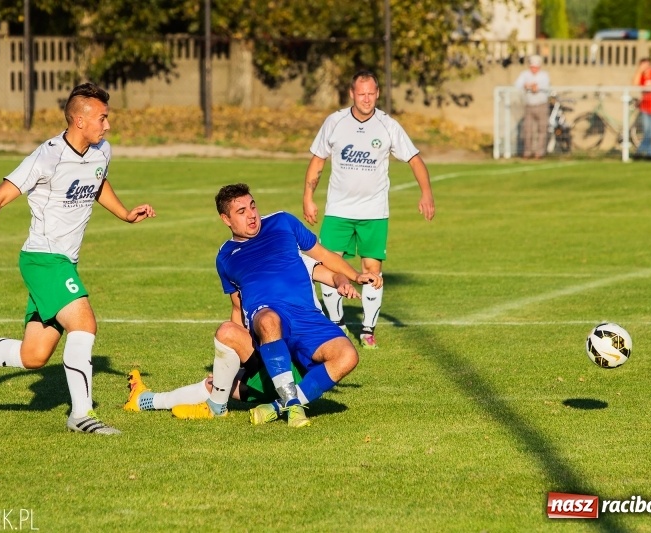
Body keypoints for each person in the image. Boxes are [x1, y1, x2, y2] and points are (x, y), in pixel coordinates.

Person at [0, 82, 156, 435]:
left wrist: (126, 214)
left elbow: (97, 181)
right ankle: (81, 415)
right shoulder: (47, 156)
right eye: (103, 118)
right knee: (84, 324)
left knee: (33, 356)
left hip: (63, 261)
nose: (108, 125)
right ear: (80, 120)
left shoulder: (102, 150)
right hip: (43, 259)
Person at [213, 183, 380, 428]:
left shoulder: (283, 222)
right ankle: (292, 405)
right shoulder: (225, 256)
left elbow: (323, 255)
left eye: (252, 206)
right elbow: (238, 308)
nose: (251, 215)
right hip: (266, 317)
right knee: (268, 320)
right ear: (225, 219)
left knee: (347, 356)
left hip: (306, 316)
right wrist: (240, 362)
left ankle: (281, 405)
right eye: (241, 212)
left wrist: (355, 276)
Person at [123, 255, 362, 418]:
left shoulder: (292, 257)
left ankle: (280, 405)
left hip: (301, 354)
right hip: (267, 354)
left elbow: (333, 275)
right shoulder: (243, 275)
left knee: (219, 383)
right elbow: (238, 321)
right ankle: (146, 400)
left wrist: (344, 283)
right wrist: (230, 370)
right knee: (221, 365)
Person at [303, 70, 435, 350]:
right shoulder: (335, 122)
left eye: (371, 93)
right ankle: (337, 324)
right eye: (361, 93)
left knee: (372, 270)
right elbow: (317, 161)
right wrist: (308, 197)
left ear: (378, 93)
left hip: (374, 213)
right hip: (338, 211)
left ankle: (367, 330)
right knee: (328, 265)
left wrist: (426, 193)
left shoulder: (387, 125)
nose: (366, 98)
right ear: (351, 93)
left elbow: (414, 159)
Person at [514, 54, 550, 159]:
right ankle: (527, 152)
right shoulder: (525, 74)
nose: (533, 69)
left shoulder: (544, 75)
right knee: (527, 130)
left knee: (542, 129)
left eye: (535, 67)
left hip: (541, 105)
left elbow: (543, 86)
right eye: (532, 66)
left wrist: (535, 87)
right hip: (529, 105)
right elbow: (517, 84)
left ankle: (539, 152)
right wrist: (527, 85)